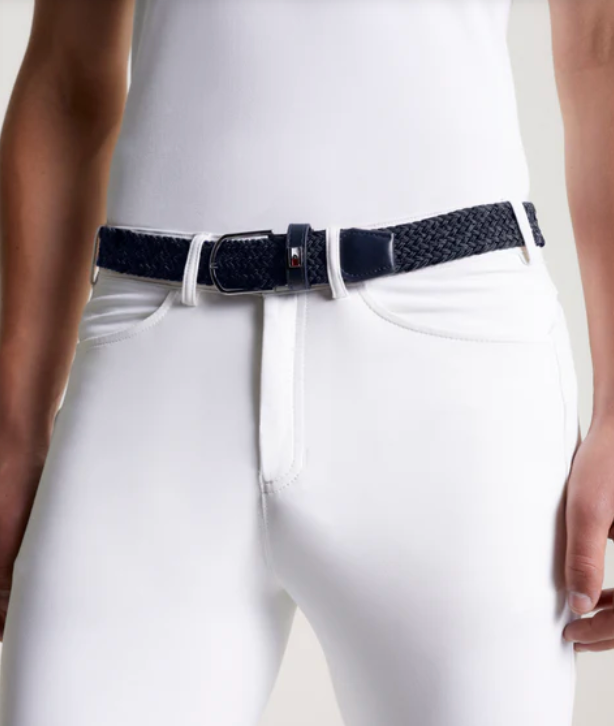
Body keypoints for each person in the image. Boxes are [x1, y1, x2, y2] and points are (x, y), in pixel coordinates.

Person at [0, 0, 612, 723]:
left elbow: (598, 51)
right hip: (151, 364)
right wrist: (12, 430)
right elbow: (68, 78)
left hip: (456, 367)